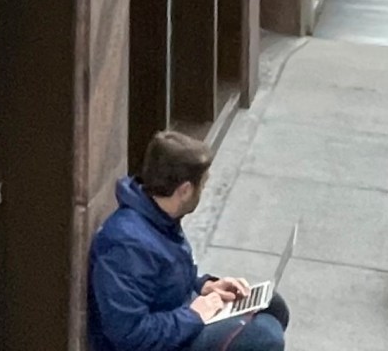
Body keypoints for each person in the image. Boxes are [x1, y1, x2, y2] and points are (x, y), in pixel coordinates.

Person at [88, 130, 291, 351]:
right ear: (184, 190)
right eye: (202, 185)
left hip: (178, 316)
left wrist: (204, 285)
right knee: (264, 336)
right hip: (162, 340)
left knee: (272, 305)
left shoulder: (159, 217)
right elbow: (130, 334)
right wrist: (194, 314)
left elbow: (165, 278)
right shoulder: (125, 244)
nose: (203, 191)